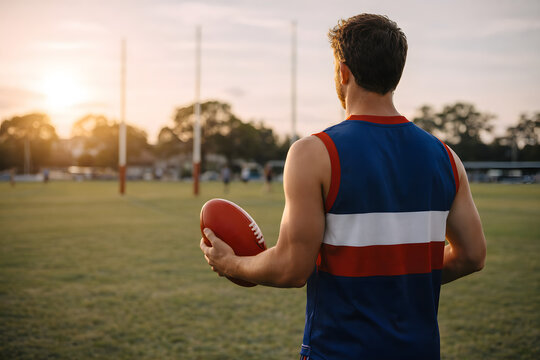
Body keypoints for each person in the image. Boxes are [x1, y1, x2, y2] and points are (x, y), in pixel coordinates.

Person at [200, 13, 486, 360]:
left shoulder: (315, 153)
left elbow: (292, 268)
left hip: (339, 351)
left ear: (343, 71)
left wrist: (230, 264)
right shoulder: (446, 158)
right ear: (396, 74)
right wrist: (401, 275)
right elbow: (472, 255)